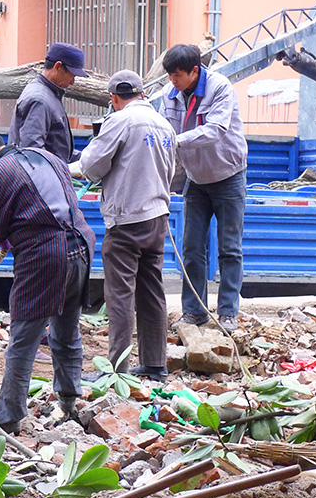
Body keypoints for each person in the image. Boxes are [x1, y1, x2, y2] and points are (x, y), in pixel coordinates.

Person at [0, 127, 95, 434]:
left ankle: (8, 417)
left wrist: (8, 234)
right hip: (81, 246)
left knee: (23, 338)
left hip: (45, 255)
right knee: (66, 330)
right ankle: (69, 402)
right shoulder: (46, 156)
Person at [76, 70, 177, 382]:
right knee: (152, 292)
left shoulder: (119, 121)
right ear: (143, 93)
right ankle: (155, 364)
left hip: (127, 220)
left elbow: (90, 166)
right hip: (157, 217)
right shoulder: (164, 125)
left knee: (120, 295)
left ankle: (117, 369)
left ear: (114, 98)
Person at [161, 44, 248, 332]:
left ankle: (227, 313)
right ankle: (194, 312)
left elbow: (216, 130)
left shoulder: (220, 88)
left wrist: (177, 141)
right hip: (196, 179)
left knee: (229, 248)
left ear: (195, 71)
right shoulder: (169, 94)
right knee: (191, 248)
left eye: (177, 75)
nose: (173, 81)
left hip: (228, 175)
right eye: (170, 75)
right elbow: (162, 130)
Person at [9, 42, 88, 163]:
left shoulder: (49, 94)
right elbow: (32, 153)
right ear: (58, 67)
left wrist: (88, 159)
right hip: (39, 179)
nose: (72, 82)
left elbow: (58, 150)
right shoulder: (39, 100)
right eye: (71, 75)